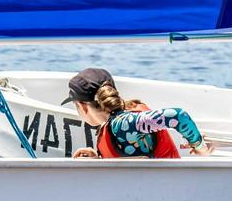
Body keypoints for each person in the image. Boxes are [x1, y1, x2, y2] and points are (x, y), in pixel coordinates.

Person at [62, 67, 213, 159]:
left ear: (83, 107)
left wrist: (201, 149)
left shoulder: (123, 125)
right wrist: (100, 160)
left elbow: (177, 116)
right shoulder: (124, 117)